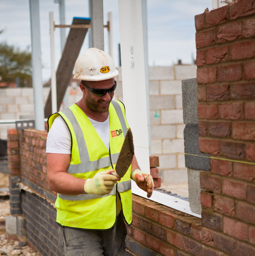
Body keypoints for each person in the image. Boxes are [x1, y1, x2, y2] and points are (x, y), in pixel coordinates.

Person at [46, 48, 154, 255]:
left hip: (115, 218)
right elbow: (54, 178)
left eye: (111, 89)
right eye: (99, 92)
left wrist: (136, 173)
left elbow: (124, 154)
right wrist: (88, 185)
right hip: (80, 224)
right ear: (82, 87)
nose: (107, 97)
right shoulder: (64, 124)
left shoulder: (118, 110)